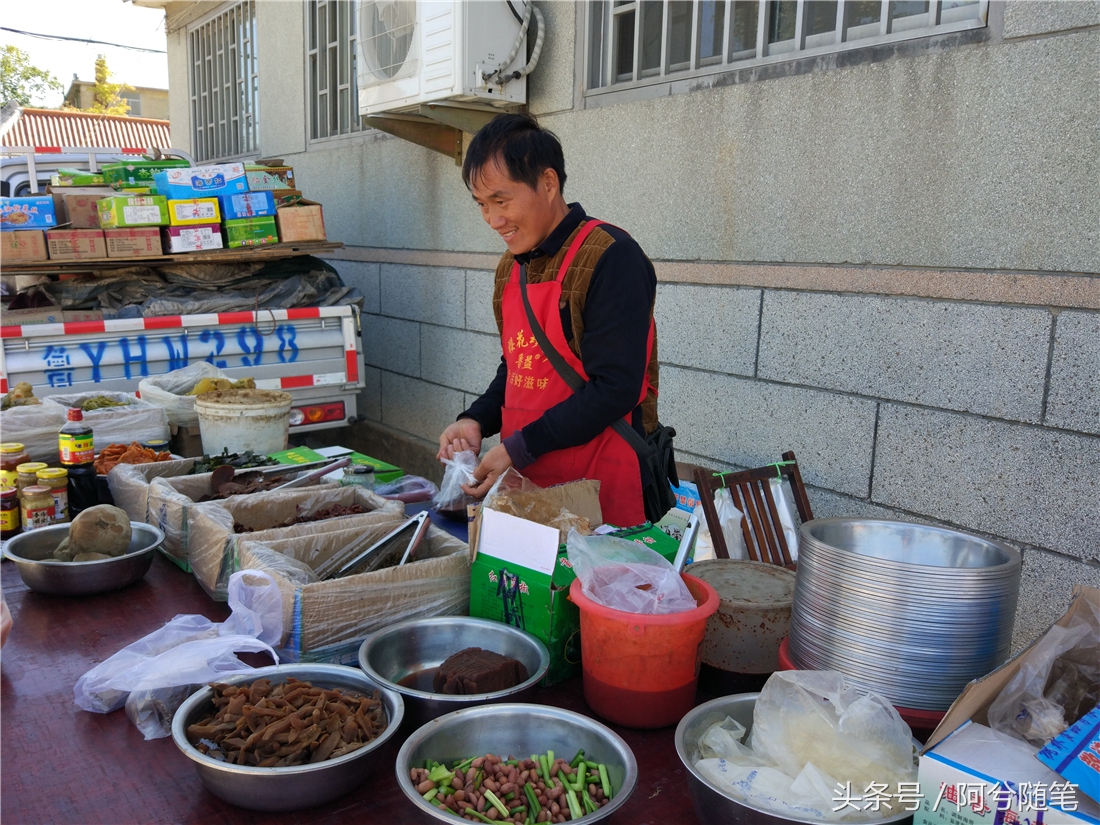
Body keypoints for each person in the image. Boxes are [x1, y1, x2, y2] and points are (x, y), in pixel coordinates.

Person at [437, 113, 659, 527]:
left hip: (598, 485)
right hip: (526, 483)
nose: (493, 219)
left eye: (502, 201)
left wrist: (519, 447)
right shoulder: (511, 268)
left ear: (549, 183)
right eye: (482, 205)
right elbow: (519, 366)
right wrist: (477, 419)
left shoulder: (611, 256)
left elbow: (617, 387)